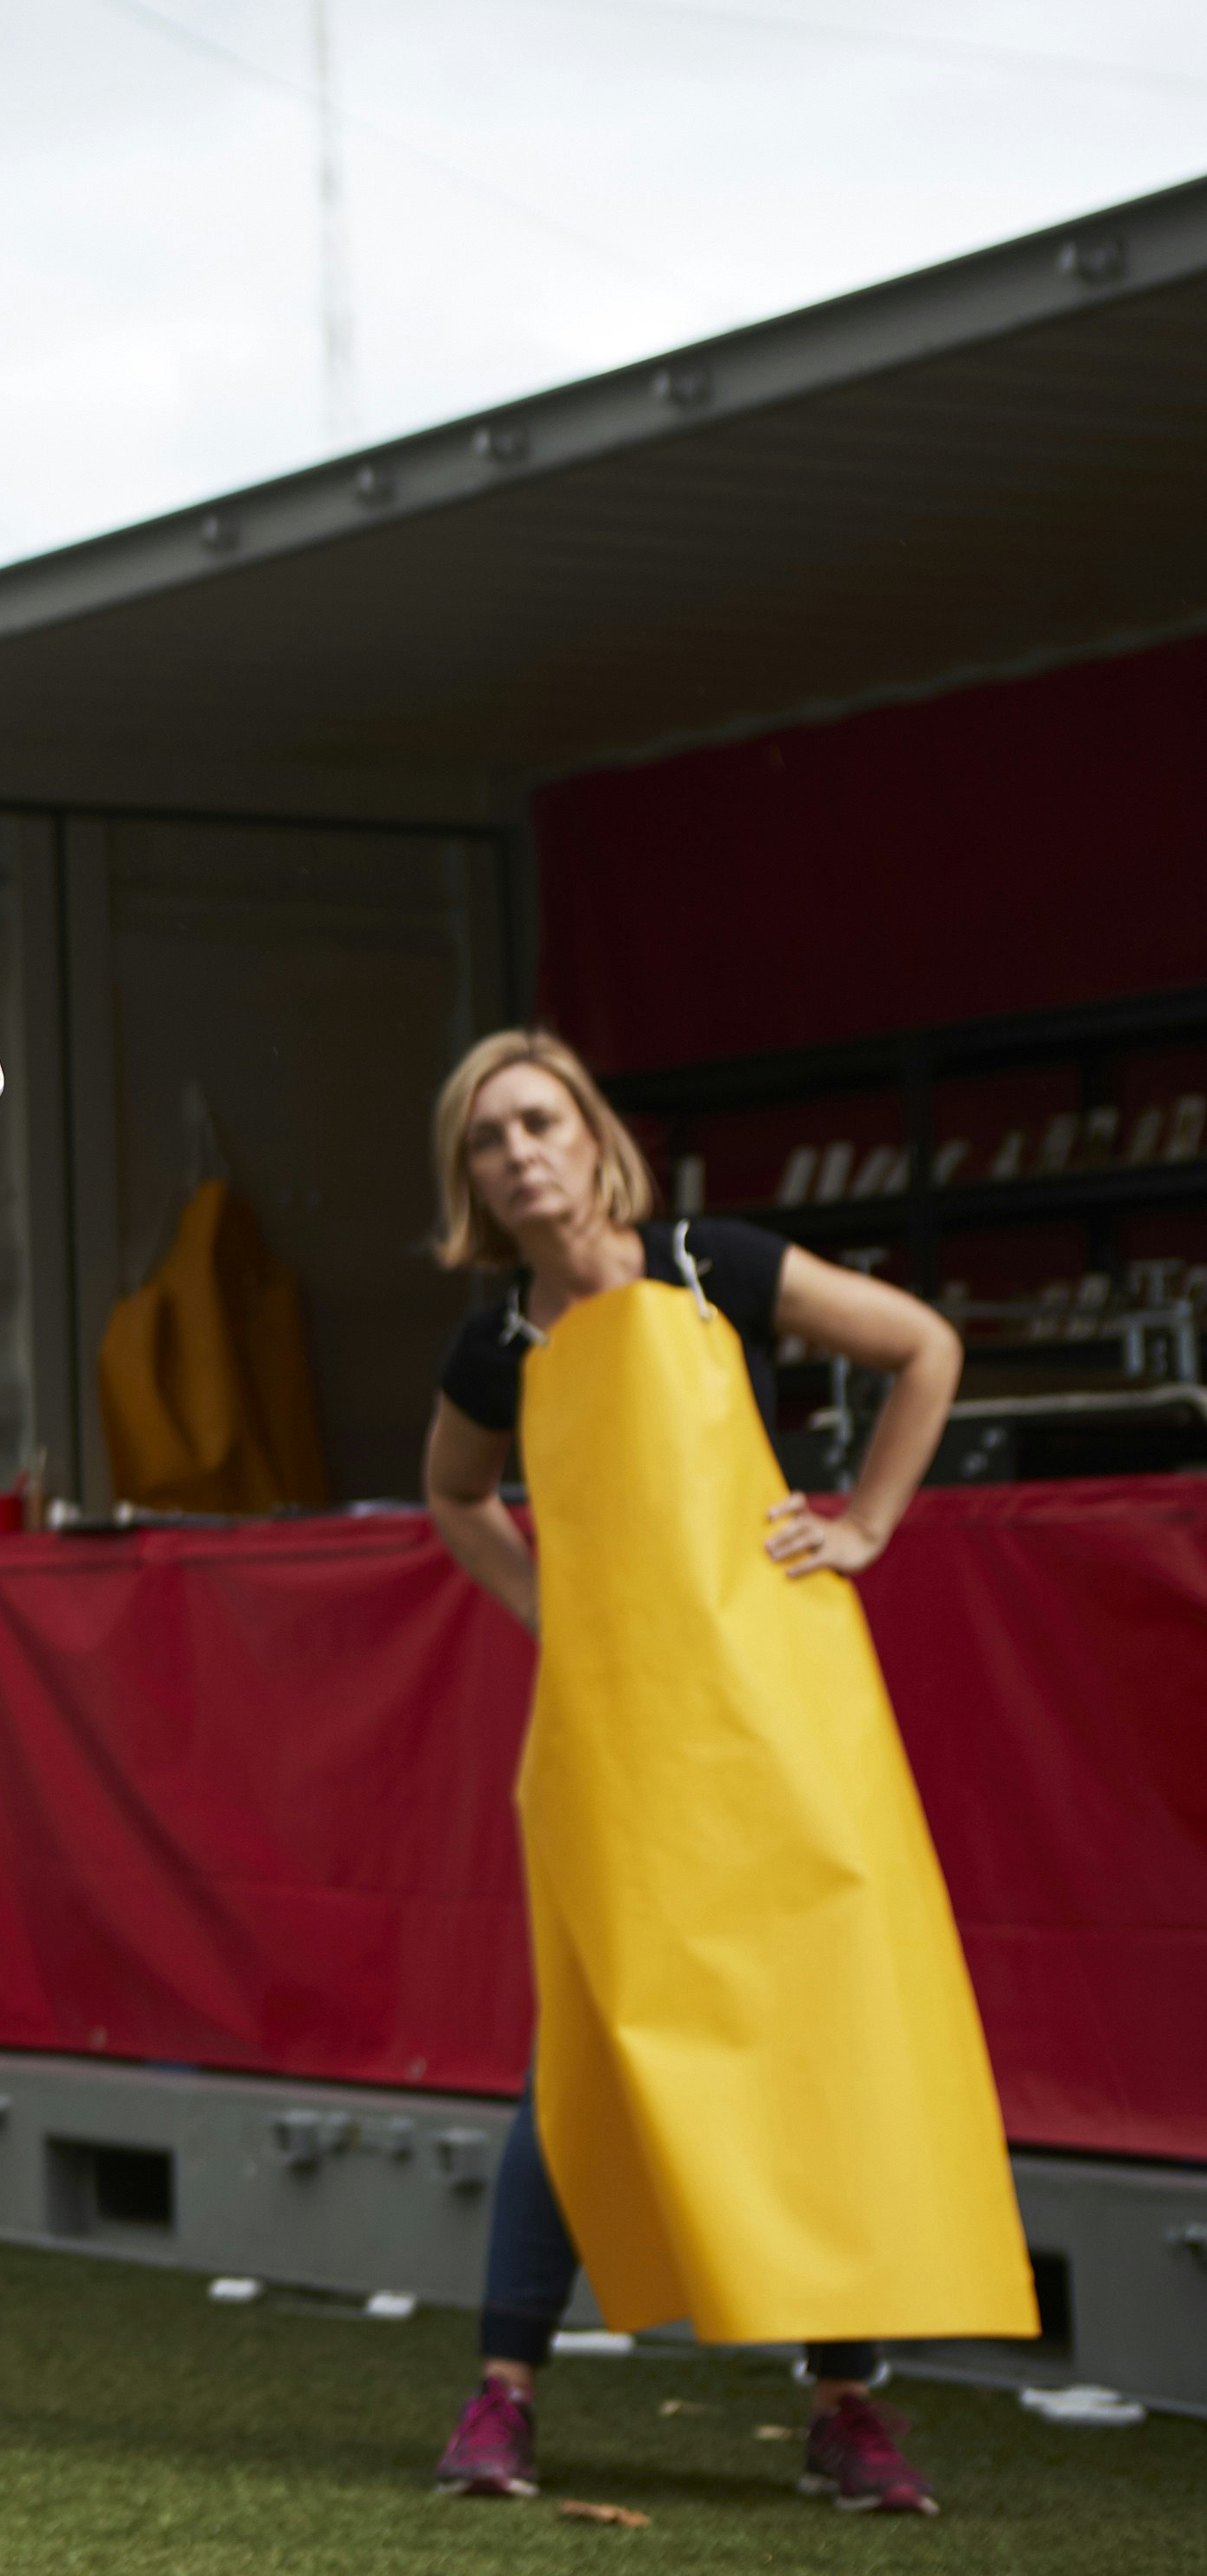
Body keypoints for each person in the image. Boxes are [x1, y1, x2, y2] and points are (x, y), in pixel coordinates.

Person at [417, 1031, 1029, 2518]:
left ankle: (843, 2411)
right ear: (470, 1184)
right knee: (583, 2044)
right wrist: (551, 1610)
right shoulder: (495, 1345)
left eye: (536, 1120)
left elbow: (920, 1349)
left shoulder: (713, 1264)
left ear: (589, 1132)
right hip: (608, 1737)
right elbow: (450, 1492)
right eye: (486, 1138)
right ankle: (499, 2398)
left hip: (779, 1715)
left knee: (814, 2034)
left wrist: (866, 1525)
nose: (516, 1152)